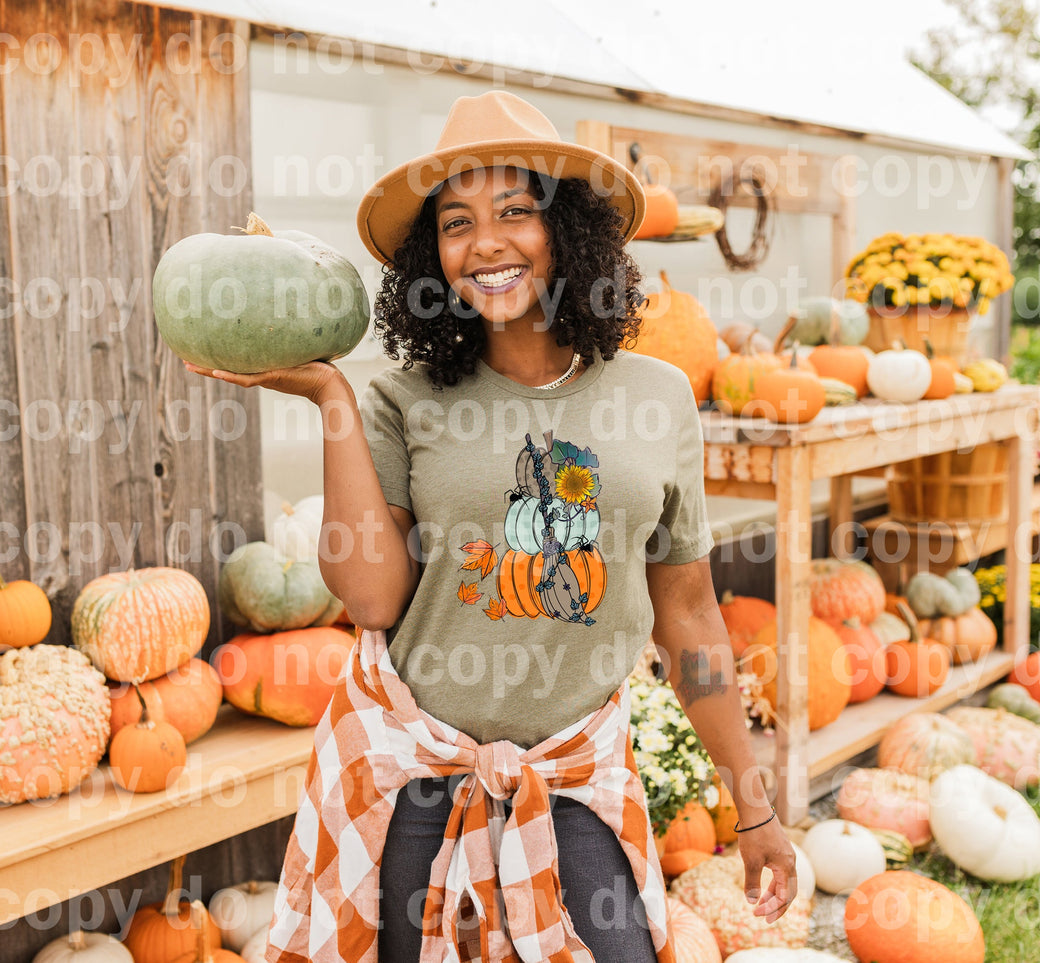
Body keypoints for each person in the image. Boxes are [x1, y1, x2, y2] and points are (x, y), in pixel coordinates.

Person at [188, 89, 797, 963]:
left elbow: (693, 617)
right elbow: (370, 594)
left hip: (576, 772)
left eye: (516, 211)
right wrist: (332, 399)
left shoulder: (657, 395)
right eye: (457, 222)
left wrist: (755, 806)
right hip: (413, 777)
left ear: (569, 230)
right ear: (431, 256)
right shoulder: (403, 399)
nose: (486, 244)